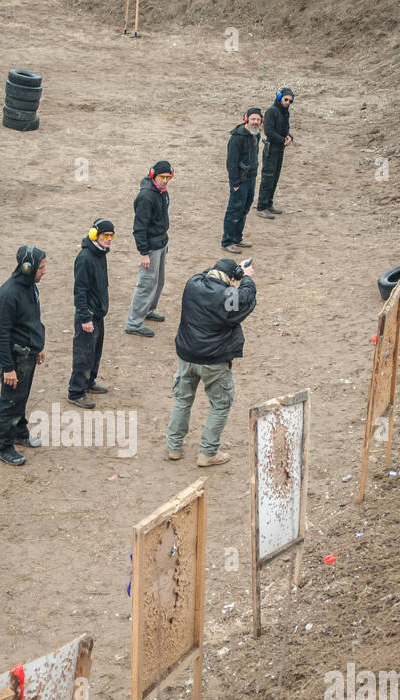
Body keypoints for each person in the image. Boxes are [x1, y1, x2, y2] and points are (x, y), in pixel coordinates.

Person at [166, 257, 257, 466]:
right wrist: (246, 277)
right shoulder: (228, 296)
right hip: (213, 361)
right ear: (231, 278)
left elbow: (208, 272)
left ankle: (174, 447)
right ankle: (208, 453)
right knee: (221, 405)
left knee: (182, 400)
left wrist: (230, 270)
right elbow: (246, 297)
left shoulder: (193, 284)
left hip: (187, 355)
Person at [0, 245, 48, 466]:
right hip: (15, 359)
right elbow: (0, 335)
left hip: (29, 355)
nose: (44, 271)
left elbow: (33, 319)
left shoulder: (31, 288)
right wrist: (8, 367)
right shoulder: (8, 295)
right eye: (41, 267)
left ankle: (19, 431)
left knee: (21, 398)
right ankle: (3, 446)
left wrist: (39, 345)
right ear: (27, 268)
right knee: (9, 402)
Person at [124, 160, 174, 338]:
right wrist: (143, 253)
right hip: (151, 248)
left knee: (158, 282)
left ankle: (148, 310)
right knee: (146, 284)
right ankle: (133, 322)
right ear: (154, 175)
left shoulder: (161, 192)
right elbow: (139, 227)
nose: (165, 181)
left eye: (168, 177)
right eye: (162, 177)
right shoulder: (146, 197)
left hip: (161, 244)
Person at [68, 218, 113, 409]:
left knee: (95, 352)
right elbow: (80, 290)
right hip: (88, 316)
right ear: (95, 235)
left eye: (112, 236)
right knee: (83, 354)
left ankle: (88, 382)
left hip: (98, 313)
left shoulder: (100, 253)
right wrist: (85, 317)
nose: (109, 239)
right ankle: (76, 392)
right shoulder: (85, 258)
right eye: (105, 235)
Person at [222, 108, 262, 254]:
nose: (255, 122)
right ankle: (227, 241)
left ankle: (237, 238)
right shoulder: (237, 138)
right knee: (234, 210)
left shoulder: (256, 135)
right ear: (246, 119)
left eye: (258, 120)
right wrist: (235, 184)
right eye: (253, 119)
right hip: (240, 181)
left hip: (250, 179)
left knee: (244, 209)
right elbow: (231, 163)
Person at [257, 88, 294, 219]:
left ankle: (268, 204)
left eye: (290, 100)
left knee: (275, 177)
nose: (288, 102)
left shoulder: (284, 113)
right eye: (286, 99)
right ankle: (261, 206)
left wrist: (289, 136)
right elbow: (269, 132)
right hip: (271, 149)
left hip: (279, 149)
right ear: (279, 98)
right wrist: (283, 139)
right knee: (268, 177)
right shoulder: (271, 112)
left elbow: (285, 129)